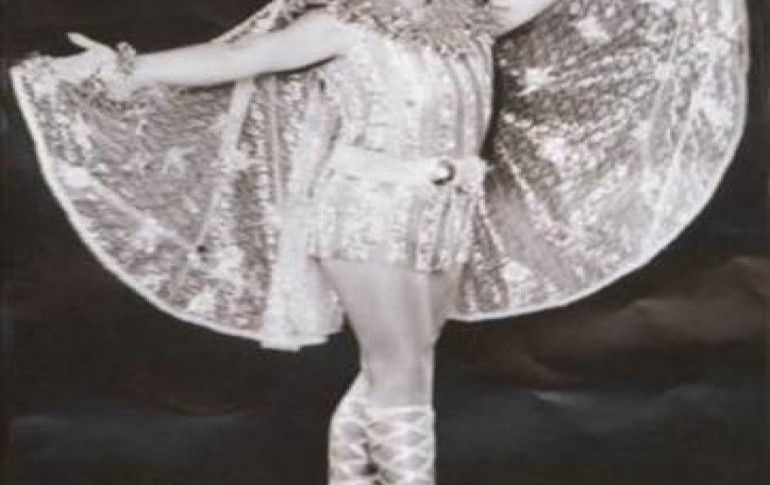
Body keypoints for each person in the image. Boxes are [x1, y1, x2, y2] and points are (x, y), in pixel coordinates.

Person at [9, 0, 749, 483]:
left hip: (445, 210)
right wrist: (123, 69)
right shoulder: (341, 25)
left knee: (399, 365)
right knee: (401, 369)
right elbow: (228, 60)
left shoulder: (476, 20)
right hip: (368, 208)